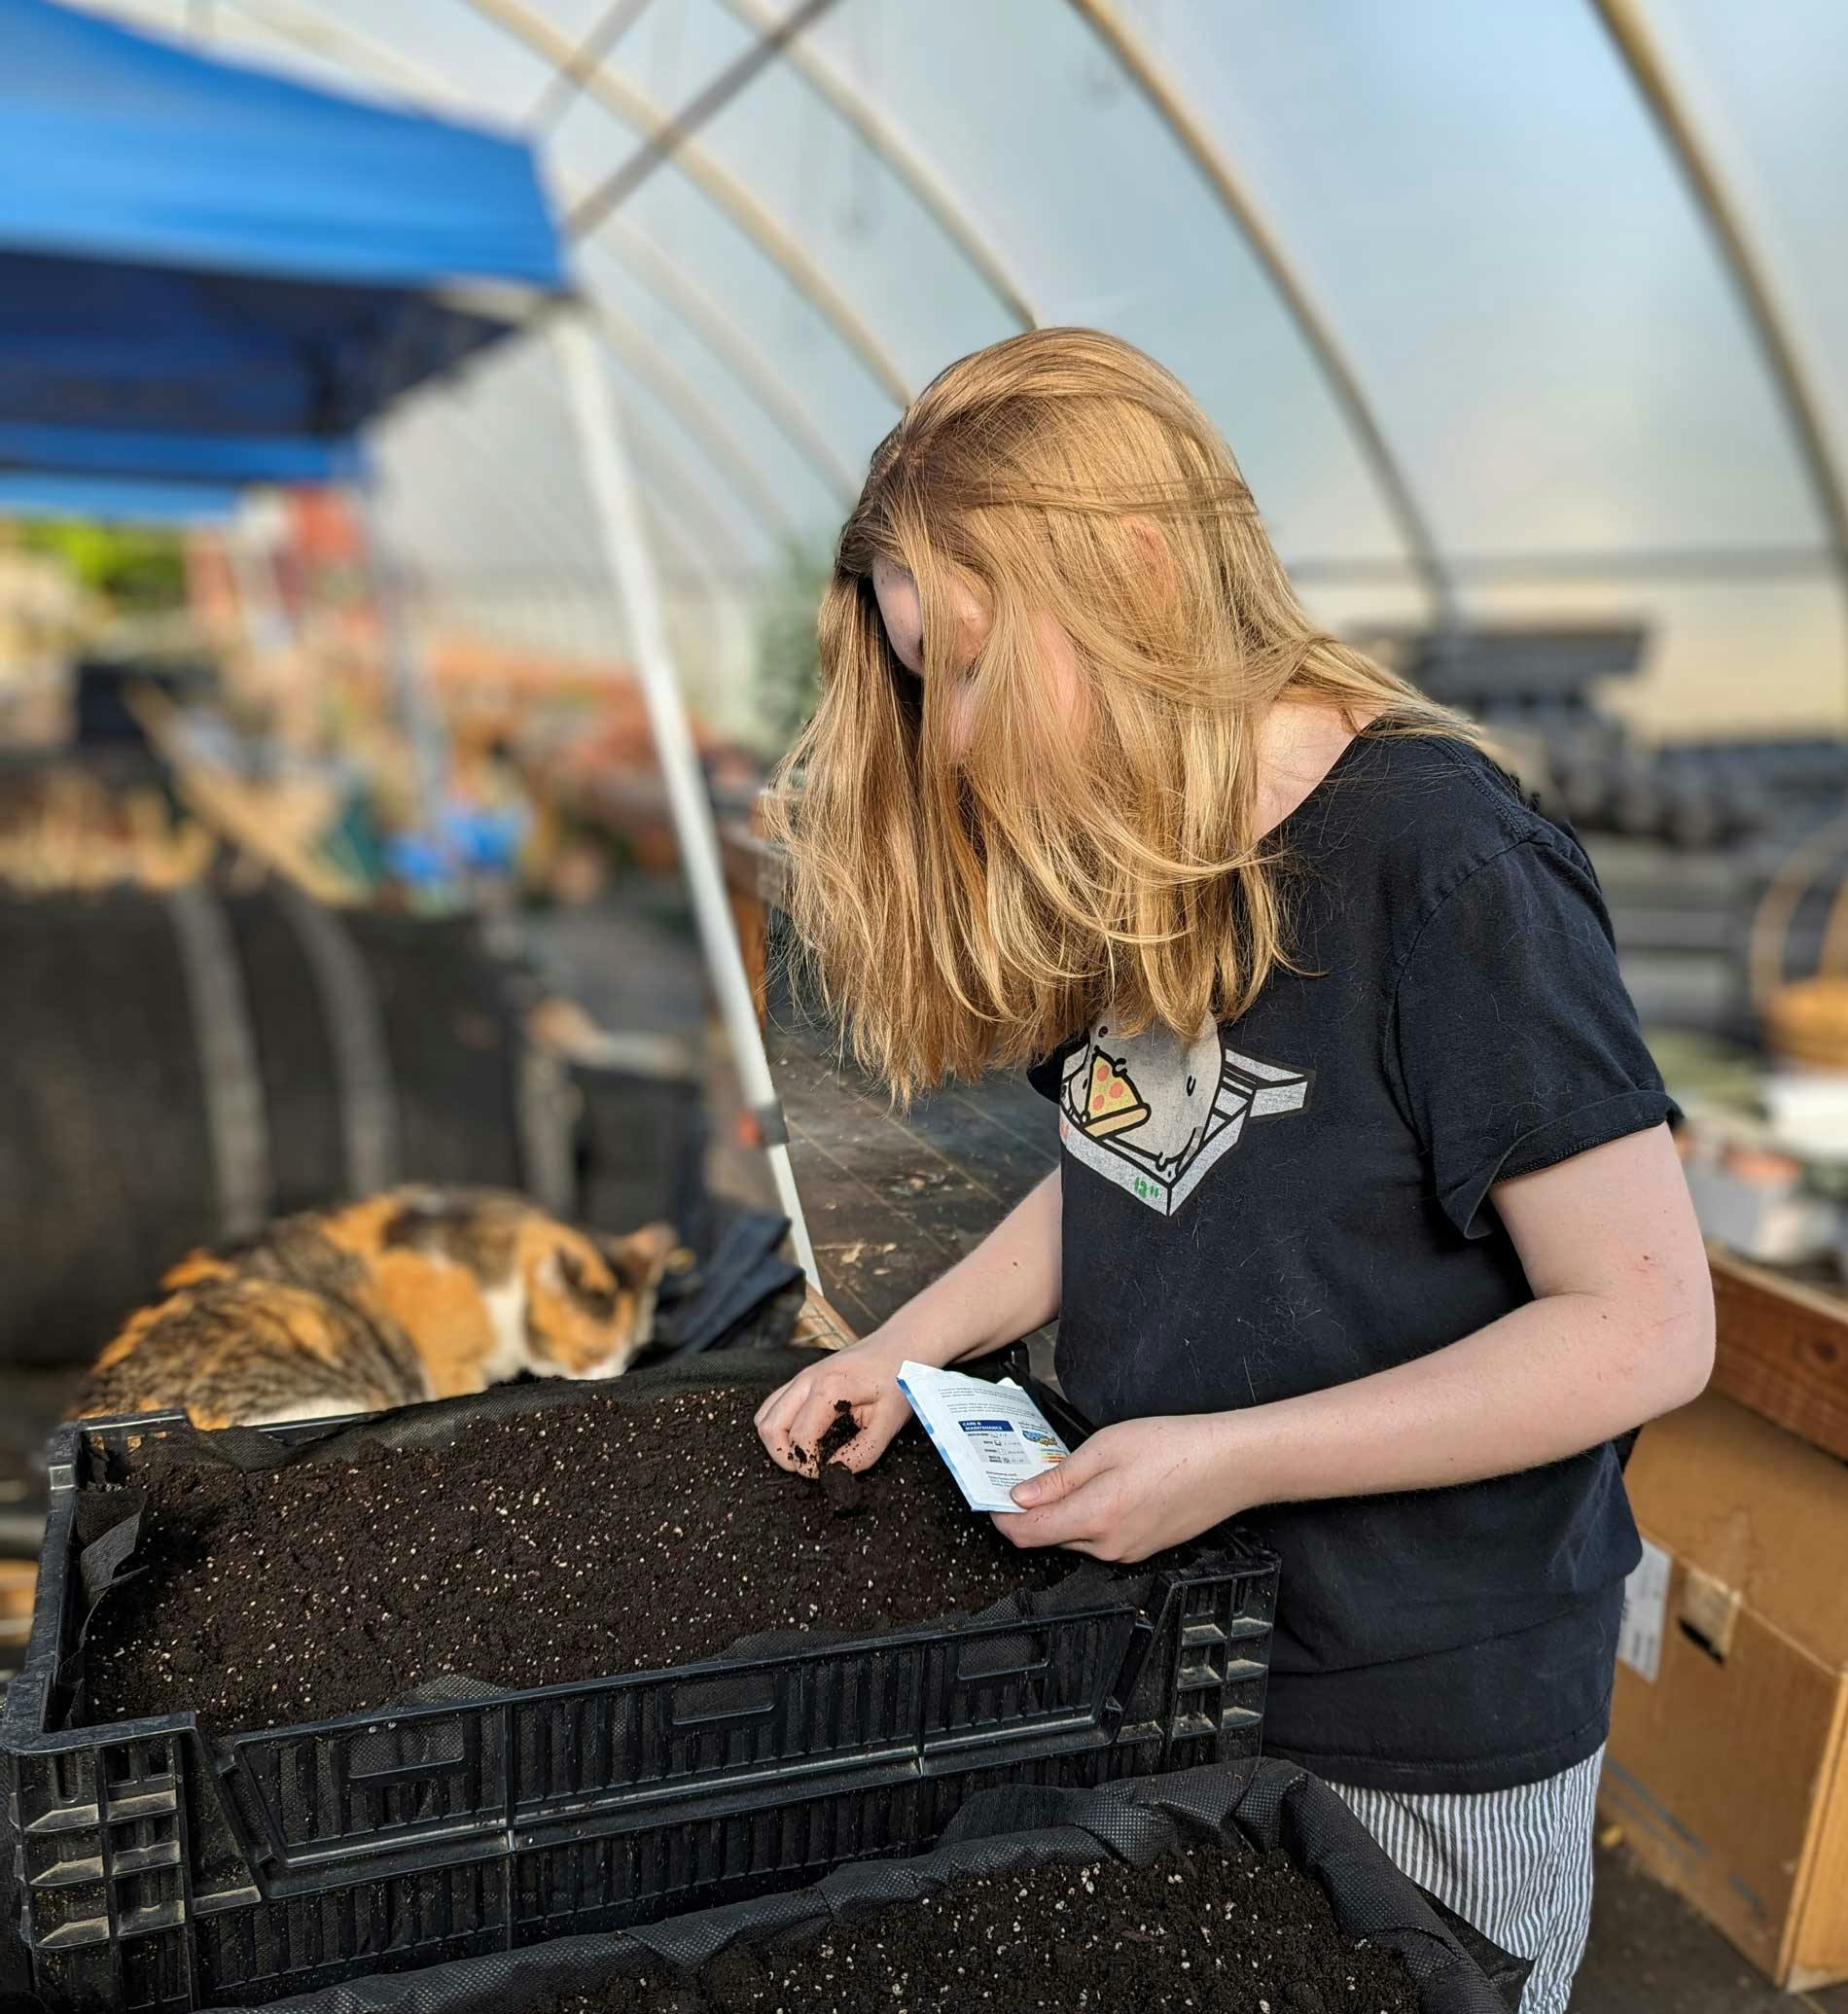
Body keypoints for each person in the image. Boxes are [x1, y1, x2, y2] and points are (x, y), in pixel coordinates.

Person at [755, 328, 1713, 2013]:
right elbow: (1125, 1155)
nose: (953, 741)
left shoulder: (1445, 865)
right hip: (1185, 1654)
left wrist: (1235, 1458)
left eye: (968, 663)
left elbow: (1640, 1328)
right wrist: (903, 1349)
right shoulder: (1156, 849)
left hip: (1426, 1727)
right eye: (925, 684)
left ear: (1132, 568)